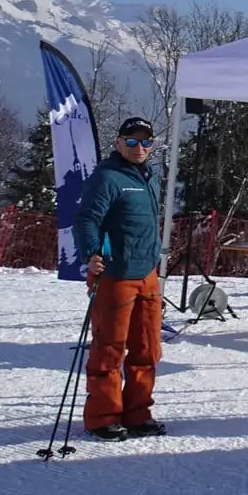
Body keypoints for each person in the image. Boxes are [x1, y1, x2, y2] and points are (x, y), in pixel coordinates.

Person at [72, 117, 166, 442]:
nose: (139, 148)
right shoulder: (108, 177)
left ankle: (138, 413)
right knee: (110, 349)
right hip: (116, 275)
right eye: (131, 141)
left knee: (147, 349)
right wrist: (91, 253)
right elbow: (87, 219)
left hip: (147, 275)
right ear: (118, 143)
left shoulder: (149, 179)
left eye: (145, 142)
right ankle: (103, 416)